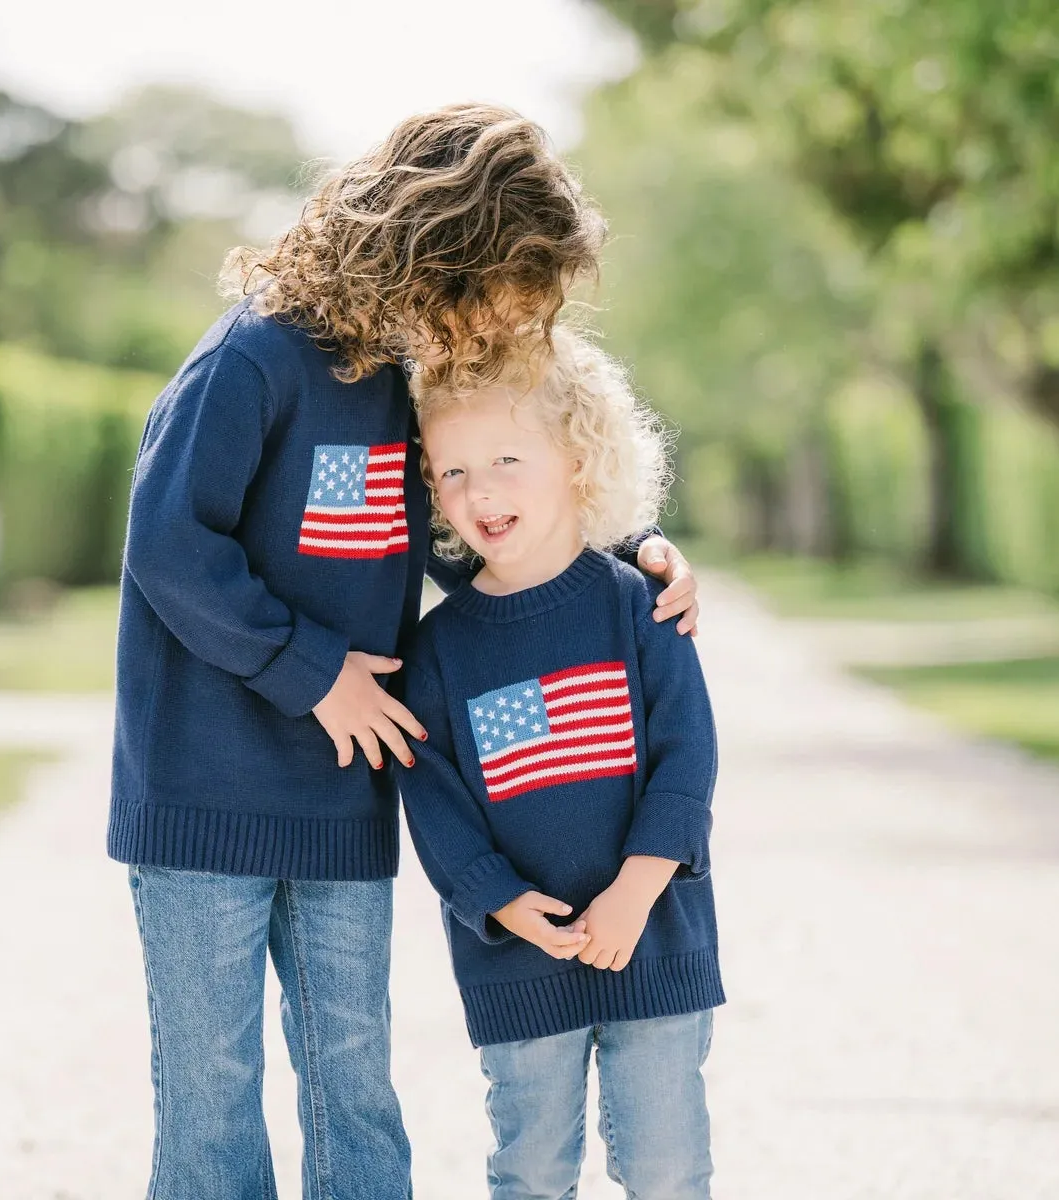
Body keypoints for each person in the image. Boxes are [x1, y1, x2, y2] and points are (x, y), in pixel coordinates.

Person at [110, 104, 703, 1199]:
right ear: (440, 250)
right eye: (498, 299)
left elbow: (482, 521)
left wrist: (630, 551)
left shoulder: (401, 383)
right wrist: (310, 669)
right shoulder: (254, 359)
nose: (498, 329)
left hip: (342, 800)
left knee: (354, 1083)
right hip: (200, 793)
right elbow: (167, 544)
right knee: (211, 1095)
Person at [399, 326, 721, 1200]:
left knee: (666, 1167)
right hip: (519, 961)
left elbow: (687, 760)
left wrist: (635, 891)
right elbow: (435, 802)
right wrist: (496, 900)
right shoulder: (437, 650)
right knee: (530, 1171)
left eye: (507, 458)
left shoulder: (637, 607)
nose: (480, 490)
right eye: (452, 472)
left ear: (578, 458)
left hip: (653, 939)